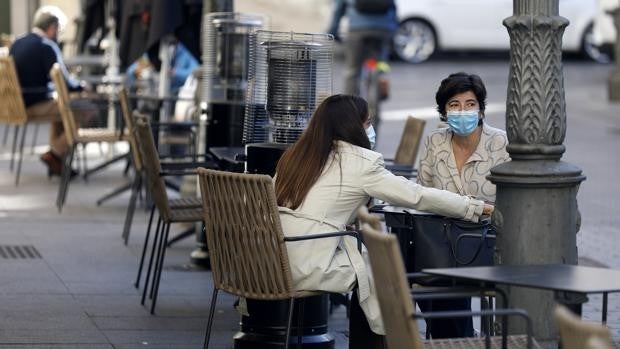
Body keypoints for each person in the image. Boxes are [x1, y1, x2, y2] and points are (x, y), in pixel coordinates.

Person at [274, 94, 493, 349]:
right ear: (354, 127)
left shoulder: (297, 155)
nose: (370, 129)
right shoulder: (360, 162)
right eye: (367, 123)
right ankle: (394, 341)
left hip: (272, 258)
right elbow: (416, 195)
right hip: (308, 263)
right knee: (382, 270)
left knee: (369, 265)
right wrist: (474, 206)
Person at [416, 72, 510, 338]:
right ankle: (459, 338)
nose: (463, 111)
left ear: (480, 109)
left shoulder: (501, 143)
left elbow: (512, 200)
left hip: (486, 241)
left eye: (470, 104)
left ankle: (457, 340)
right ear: (444, 111)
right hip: (443, 240)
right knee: (423, 276)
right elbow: (424, 192)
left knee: (445, 284)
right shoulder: (435, 142)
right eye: (454, 105)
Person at [10, 6, 96, 177]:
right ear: (52, 28)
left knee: (63, 108)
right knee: (85, 110)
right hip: (34, 103)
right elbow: (65, 82)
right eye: (59, 30)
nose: (58, 35)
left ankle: (56, 162)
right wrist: (82, 86)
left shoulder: (17, 43)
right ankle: (55, 153)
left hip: (18, 103)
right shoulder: (46, 46)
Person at [327, 0, 397, 96]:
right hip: (383, 29)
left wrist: (332, 31)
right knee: (380, 65)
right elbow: (393, 7)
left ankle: (352, 106)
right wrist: (392, 30)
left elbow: (339, 8)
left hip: (357, 29)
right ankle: (378, 84)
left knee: (353, 71)